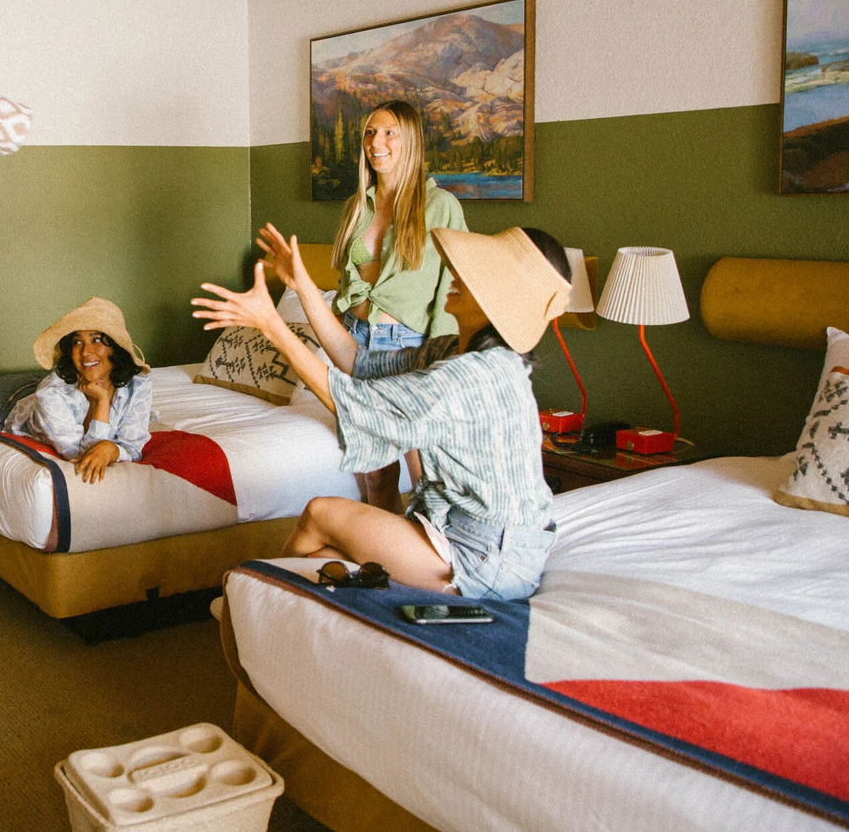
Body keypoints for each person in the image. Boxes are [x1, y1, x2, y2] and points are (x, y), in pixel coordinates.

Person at [194, 226, 571, 601]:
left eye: (474, 274)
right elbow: (357, 362)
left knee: (321, 513)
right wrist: (303, 286)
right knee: (324, 559)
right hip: (460, 535)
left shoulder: (475, 376)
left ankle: (254, 604)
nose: (454, 275)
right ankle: (274, 612)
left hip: (487, 560)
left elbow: (351, 403)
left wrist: (272, 325)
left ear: (499, 298)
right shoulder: (454, 352)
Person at [311, 100, 468, 510]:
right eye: (369, 132)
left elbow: (455, 285)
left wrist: (442, 358)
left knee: (425, 477)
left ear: (411, 140)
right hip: (355, 340)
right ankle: (382, 568)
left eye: (389, 133)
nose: (375, 142)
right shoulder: (357, 206)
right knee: (375, 477)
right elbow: (348, 281)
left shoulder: (441, 206)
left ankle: (431, 562)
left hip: (409, 346)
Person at [0, 297, 151, 483]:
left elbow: (132, 444)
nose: (86, 352)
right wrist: (101, 404)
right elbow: (78, 453)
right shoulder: (52, 392)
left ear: (116, 349)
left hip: (32, 392)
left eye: (97, 340)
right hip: (8, 407)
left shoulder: (138, 385)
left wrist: (111, 450)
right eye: (77, 341)